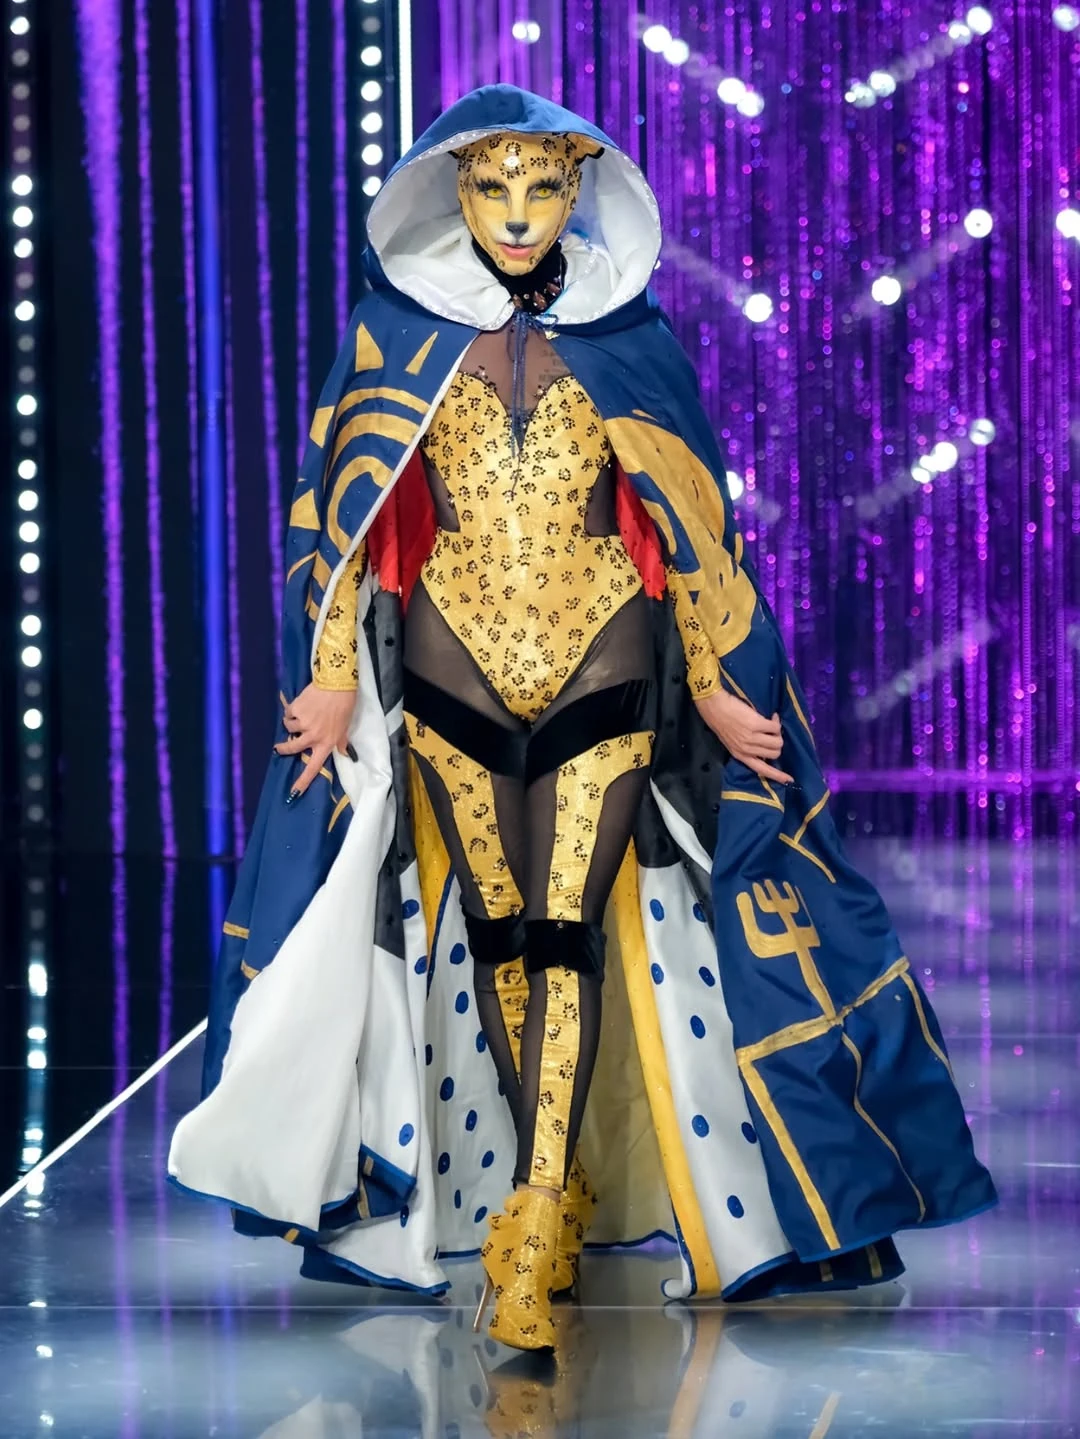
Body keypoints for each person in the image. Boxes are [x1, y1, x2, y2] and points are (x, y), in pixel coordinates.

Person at [169, 86, 996, 1353]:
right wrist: (330, 669)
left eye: (541, 187)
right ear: (455, 191)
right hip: (446, 679)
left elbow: (690, 514)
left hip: (606, 667)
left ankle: (538, 1210)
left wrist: (716, 674)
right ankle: (535, 1195)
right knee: (503, 934)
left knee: (566, 936)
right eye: (492, 187)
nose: (516, 214)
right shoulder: (394, 328)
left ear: (578, 190)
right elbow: (335, 506)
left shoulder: (625, 327)